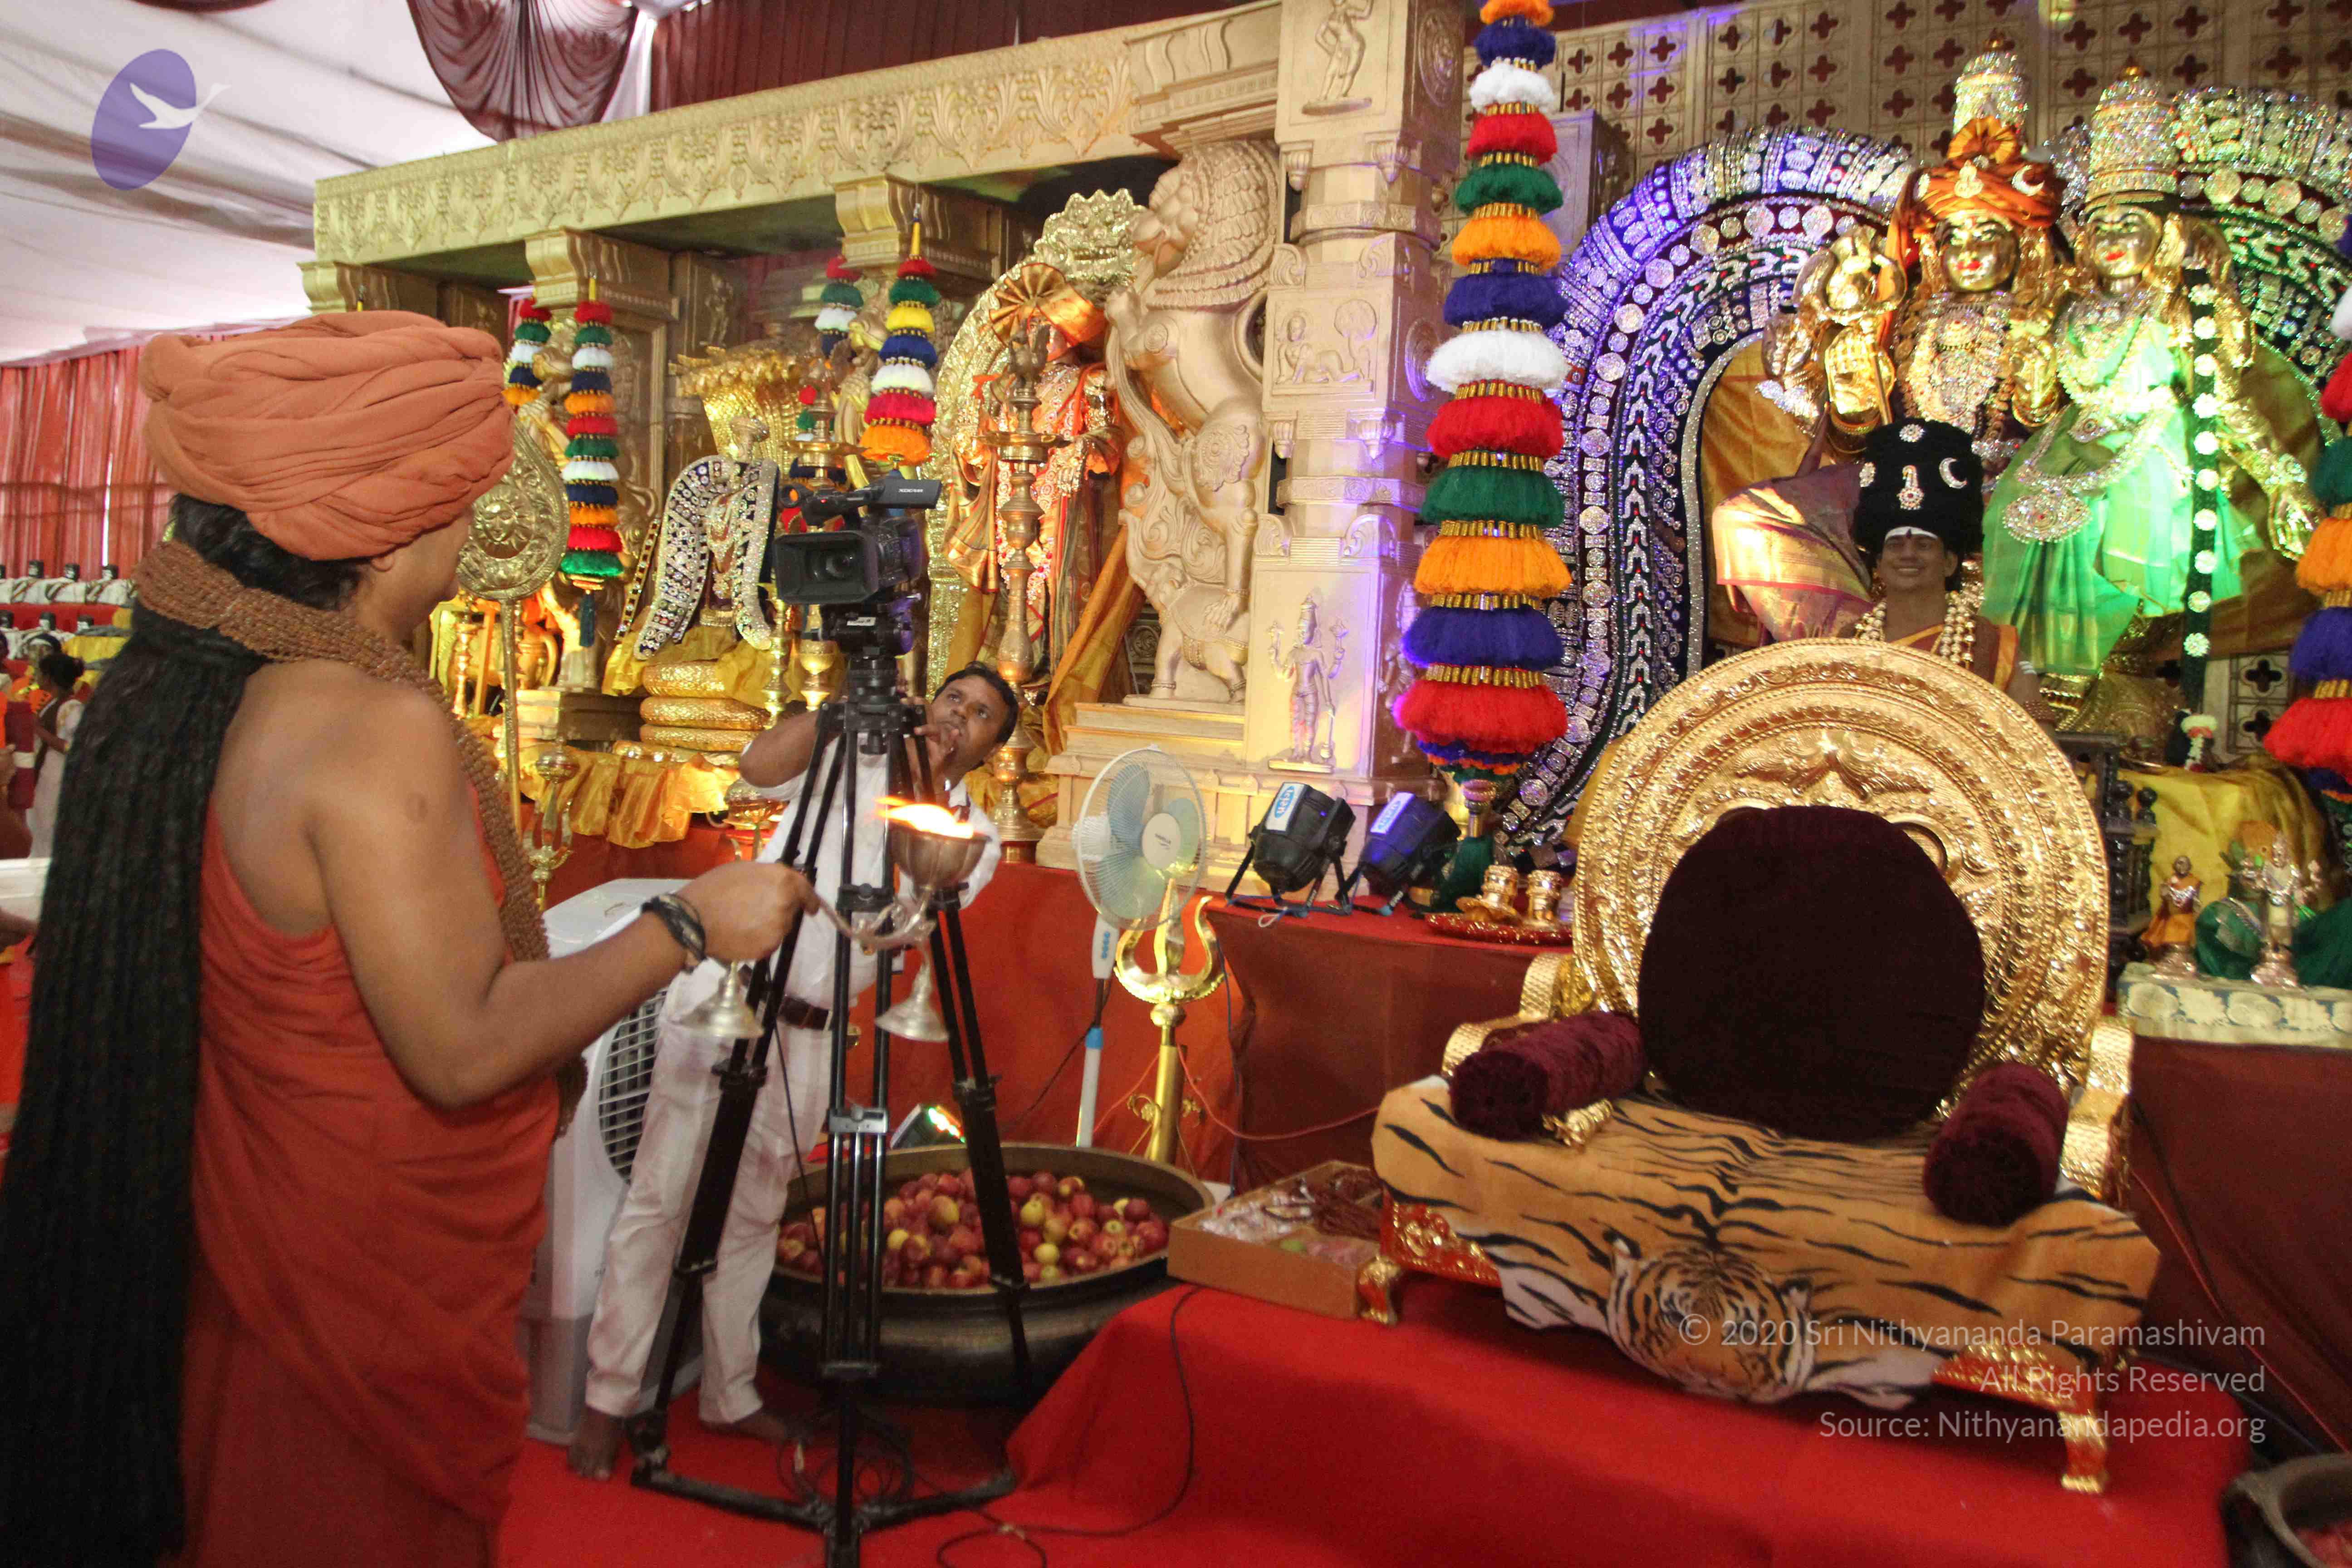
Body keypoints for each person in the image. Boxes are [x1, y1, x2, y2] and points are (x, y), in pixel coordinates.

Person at [0, 311, 813, 1568]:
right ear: (386, 529)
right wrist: (689, 921)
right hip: (347, 1293)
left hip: (224, 1265)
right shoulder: (367, 723)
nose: (474, 533)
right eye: (465, 498)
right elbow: (460, 1048)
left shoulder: (182, 685)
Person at [568, 660, 1018, 1480]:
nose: (960, 714)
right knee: (661, 1201)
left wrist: (914, 777)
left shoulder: (973, 836)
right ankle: (608, 1399)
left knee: (753, 1216)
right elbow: (756, 766)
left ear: (992, 750)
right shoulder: (850, 754)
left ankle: (729, 1394)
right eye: (954, 696)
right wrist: (842, 712)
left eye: (981, 714)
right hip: (726, 994)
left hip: (813, 1033)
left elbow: (905, 915)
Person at [1845, 419, 2044, 711]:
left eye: (1924, 545)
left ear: (1950, 563)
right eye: (1895, 545)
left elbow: (2034, 734)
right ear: (1880, 564)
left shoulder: (1992, 647)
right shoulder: (1850, 641)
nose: (1908, 554)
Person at [24, 651, 84, 858]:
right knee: (38, 824)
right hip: (44, 774)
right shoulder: (52, 702)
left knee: (49, 827)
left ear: (49, 677)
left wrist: (38, 730)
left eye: (40, 673)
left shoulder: (73, 708)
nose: (38, 677)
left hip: (57, 776)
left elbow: (74, 748)